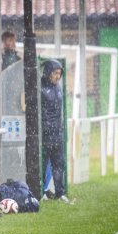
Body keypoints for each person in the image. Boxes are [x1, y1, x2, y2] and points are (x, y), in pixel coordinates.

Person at [40, 59, 69, 203]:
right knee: (43, 164)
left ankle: (60, 193)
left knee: (59, 164)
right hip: (45, 135)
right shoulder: (39, 87)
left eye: (59, 73)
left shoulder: (58, 87)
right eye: (55, 73)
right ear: (47, 72)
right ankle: (41, 192)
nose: (57, 76)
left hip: (57, 133)